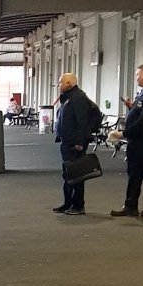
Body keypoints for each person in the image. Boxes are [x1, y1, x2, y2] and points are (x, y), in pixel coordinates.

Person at [110, 63, 143, 217]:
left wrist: (124, 133)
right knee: (135, 174)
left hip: (142, 143)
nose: (136, 78)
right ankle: (131, 205)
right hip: (136, 143)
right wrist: (132, 107)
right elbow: (140, 112)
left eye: (138, 75)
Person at [53, 73, 98, 215]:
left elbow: (81, 122)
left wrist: (80, 142)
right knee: (67, 173)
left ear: (69, 83)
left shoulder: (78, 99)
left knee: (77, 174)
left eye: (60, 83)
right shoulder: (68, 98)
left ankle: (78, 205)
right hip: (67, 142)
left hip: (75, 144)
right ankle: (68, 203)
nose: (58, 85)